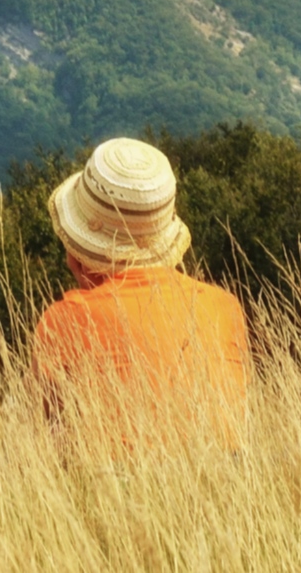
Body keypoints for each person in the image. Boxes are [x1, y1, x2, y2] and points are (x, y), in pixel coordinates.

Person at [32, 136, 249, 452]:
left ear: (76, 252)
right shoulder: (224, 309)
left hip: (112, 492)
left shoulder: (66, 320)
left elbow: (49, 437)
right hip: (223, 488)